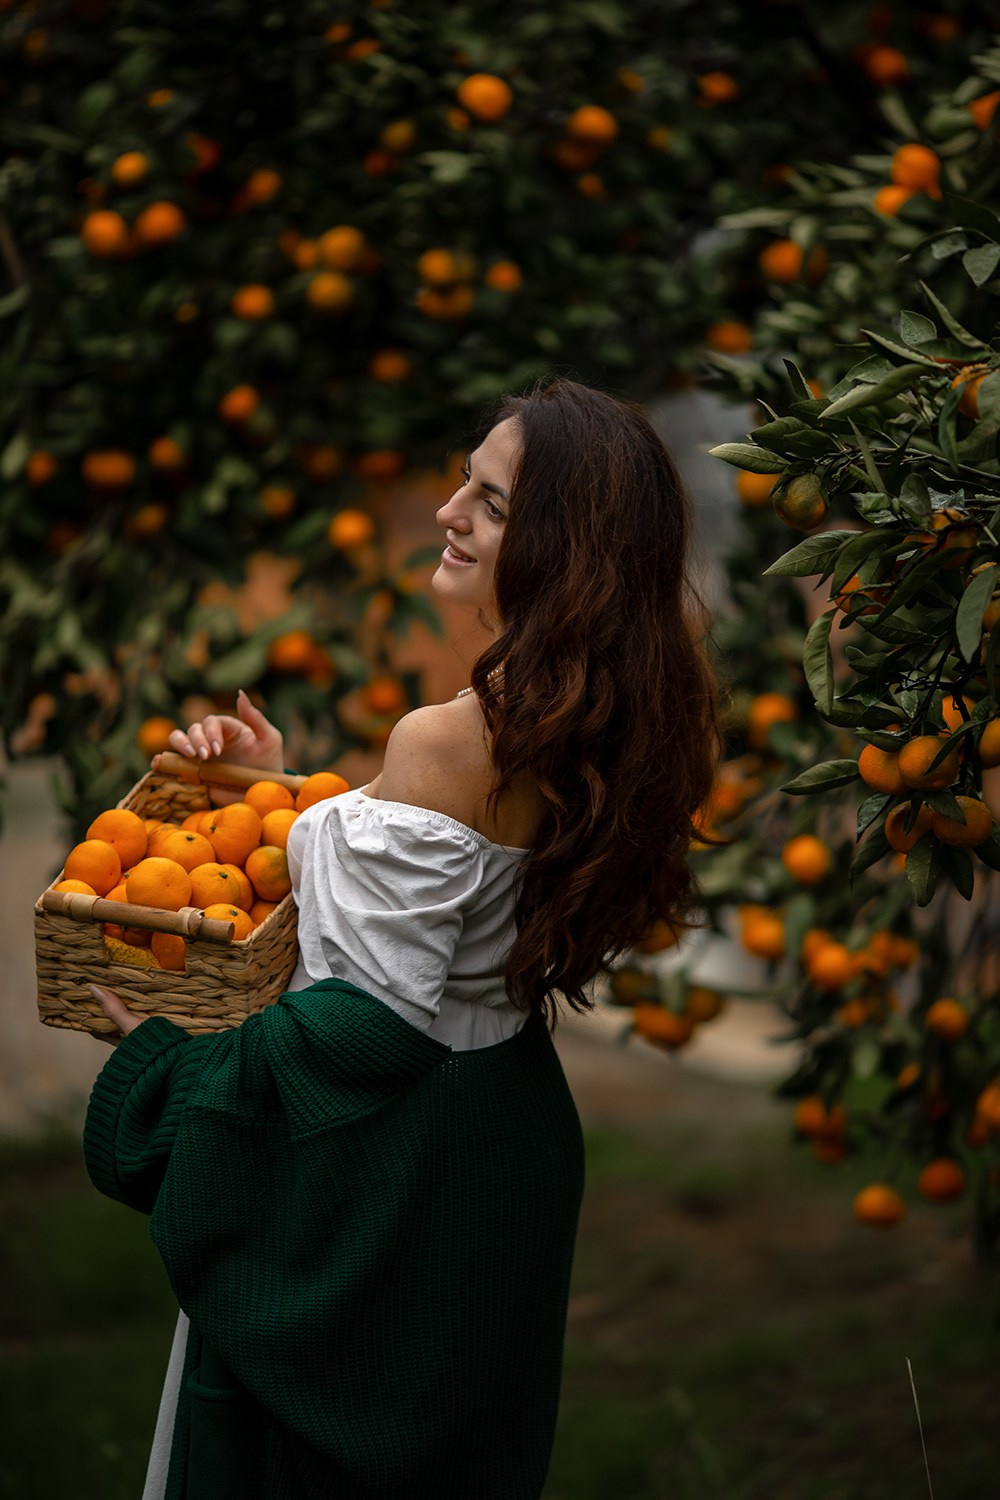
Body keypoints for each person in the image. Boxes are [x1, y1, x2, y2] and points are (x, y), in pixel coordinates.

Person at [83, 376, 720, 1499]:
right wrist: (288, 795)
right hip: (496, 1140)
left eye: (489, 498)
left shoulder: (448, 735)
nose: (448, 512)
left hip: (381, 1170)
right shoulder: (610, 717)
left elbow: (362, 1030)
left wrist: (163, 1069)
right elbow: (452, 892)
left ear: (561, 545)